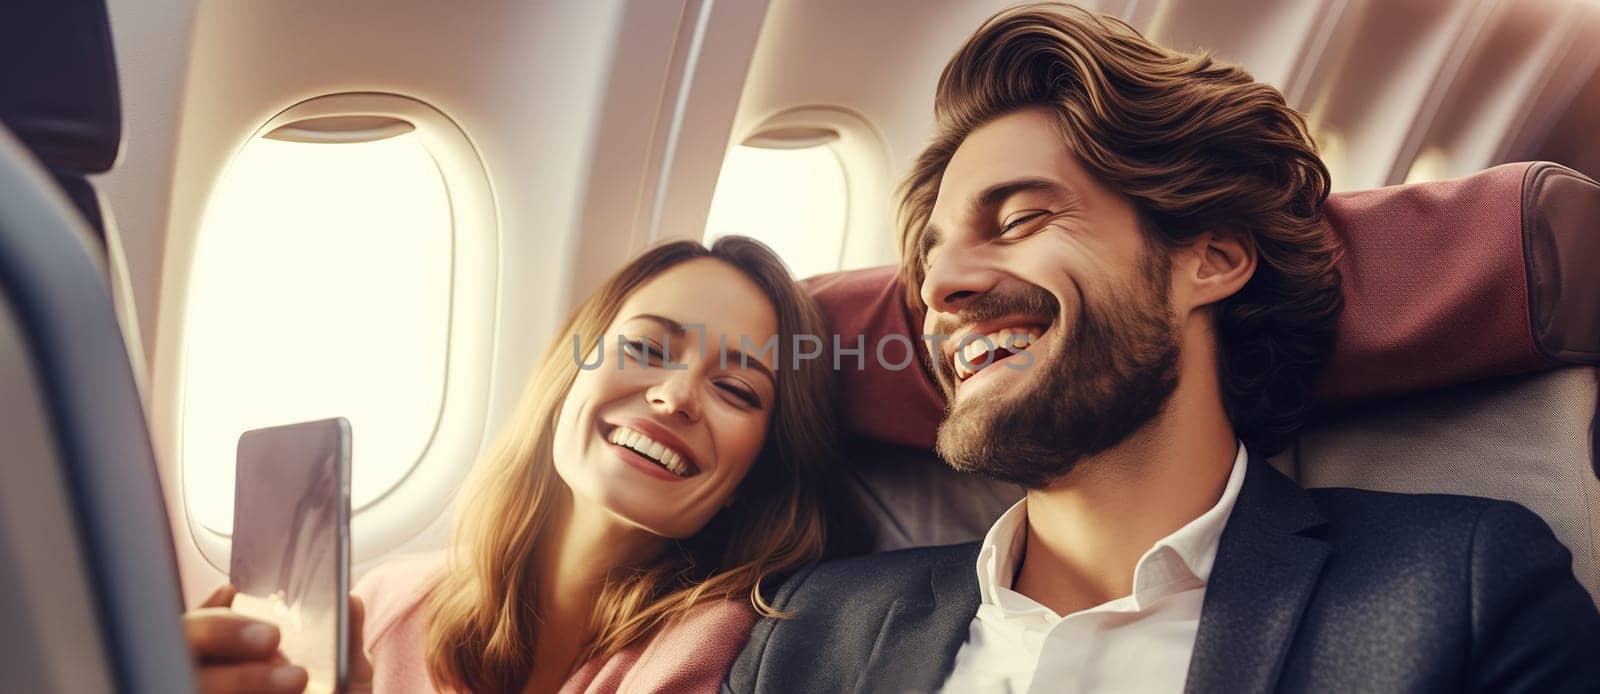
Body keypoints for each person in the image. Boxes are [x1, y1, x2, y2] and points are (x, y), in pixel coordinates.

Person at [725, 4, 1600, 693]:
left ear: (1211, 258)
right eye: (927, 261)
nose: (936, 291)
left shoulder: (1461, 591)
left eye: (1022, 219)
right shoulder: (807, 635)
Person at [185, 236, 839, 693]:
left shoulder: (713, 647)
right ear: (567, 377)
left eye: (736, 390)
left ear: (754, 477)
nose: (674, 397)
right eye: (645, 346)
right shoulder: (391, 601)